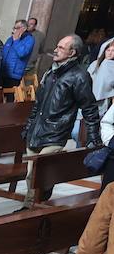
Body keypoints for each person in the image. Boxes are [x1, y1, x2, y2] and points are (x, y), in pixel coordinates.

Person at [24, 34, 101, 203]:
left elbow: (89, 108)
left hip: (55, 134)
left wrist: (94, 139)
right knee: (30, 177)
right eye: (57, 46)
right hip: (36, 131)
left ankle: (34, 210)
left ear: (72, 52)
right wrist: (28, 127)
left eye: (61, 48)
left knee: (40, 177)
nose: (56, 50)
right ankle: (29, 210)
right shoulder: (51, 72)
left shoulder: (79, 76)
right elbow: (38, 104)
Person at [1, 20, 34, 89]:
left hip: (14, 75)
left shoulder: (29, 39)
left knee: (9, 97)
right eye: (14, 27)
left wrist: (16, 41)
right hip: (3, 72)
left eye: (17, 28)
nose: (15, 30)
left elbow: (22, 53)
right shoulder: (10, 39)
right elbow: (3, 52)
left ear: (24, 28)